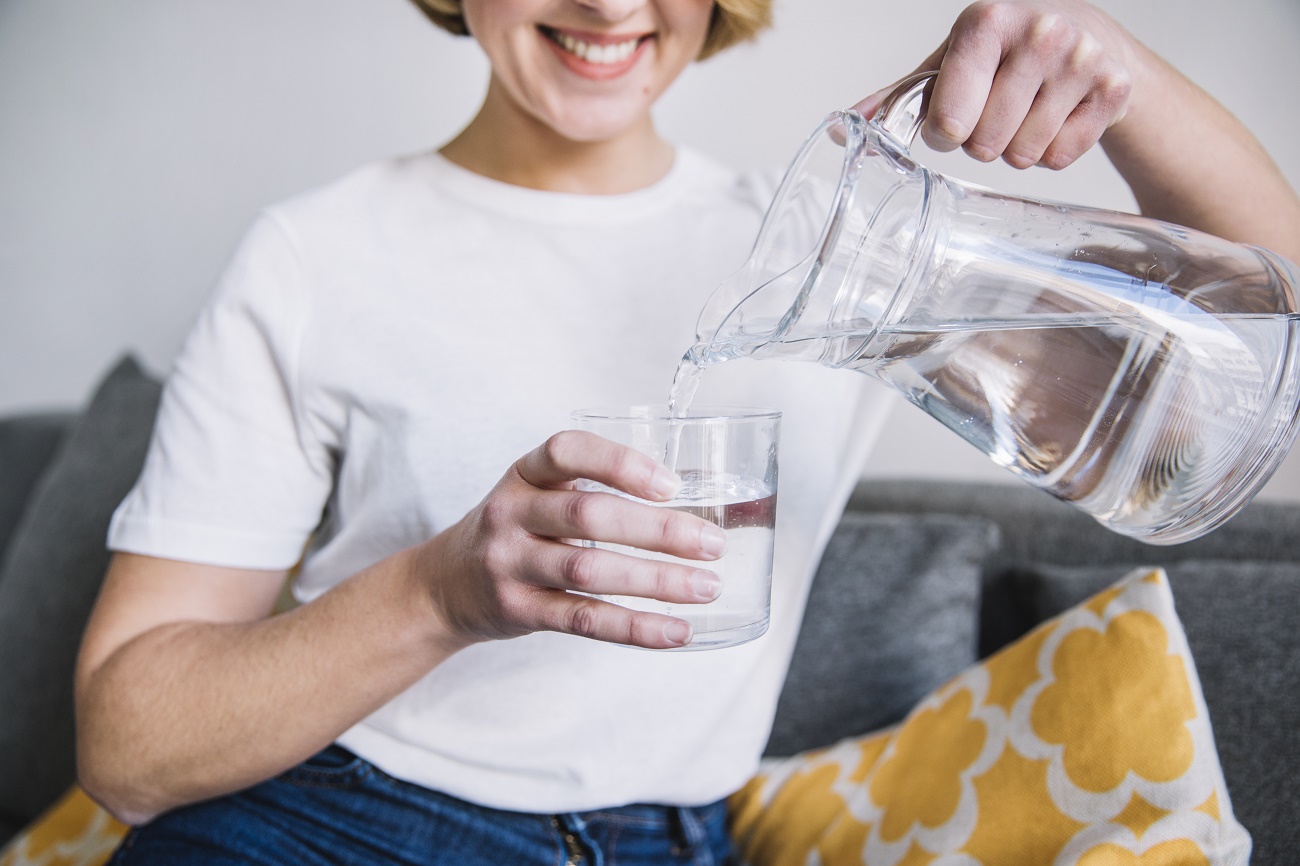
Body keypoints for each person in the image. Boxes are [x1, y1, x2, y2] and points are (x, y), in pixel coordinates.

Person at [74, 0, 1300, 863]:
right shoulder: (317, 254)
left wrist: (1116, 66)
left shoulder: (833, 255)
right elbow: (127, 747)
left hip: (674, 838)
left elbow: (1266, 345)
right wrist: (443, 592)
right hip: (338, 818)